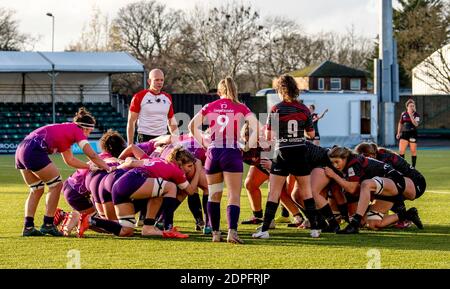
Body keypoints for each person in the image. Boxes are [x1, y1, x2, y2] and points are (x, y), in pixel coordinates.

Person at [15, 107, 114, 236]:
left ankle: (28, 227)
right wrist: (108, 167)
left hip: (21, 149)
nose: (88, 135)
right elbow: (92, 155)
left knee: (36, 189)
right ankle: (48, 224)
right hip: (34, 149)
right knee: (56, 185)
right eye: (89, 131)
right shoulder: (76, 130)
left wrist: (89, 167)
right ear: (83, 128)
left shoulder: (66, 131)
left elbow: (70, 160)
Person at [189, 76, 259, 244]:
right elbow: (257, 126)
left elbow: (192, 126)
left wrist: (205, 143)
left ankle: (215, 233)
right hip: (232, 152)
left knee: (214, 195)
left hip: (213, 153)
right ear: (234, 89)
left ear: (219, 91)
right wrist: (248, 146)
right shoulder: (240, 106)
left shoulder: (210, 106)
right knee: (233, 195)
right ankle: (232, 233)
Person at [252, 74, 321, 239]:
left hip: (283, 152)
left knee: (274, 191)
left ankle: (265, 230)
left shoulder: (276, 109)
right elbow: (311, 134)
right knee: (306, 191)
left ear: (280, 90)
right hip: (300, 151)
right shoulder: (303, 109)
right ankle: (315, 229)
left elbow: (269, 136)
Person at [325, 146, 418, 234]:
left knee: (366, 184)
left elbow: (352, 189)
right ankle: (408, 214)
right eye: (333, 163)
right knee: (373, 224)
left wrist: (334, 175)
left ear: (345, 158)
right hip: (382, 189)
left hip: (395, 181)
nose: (335, 165)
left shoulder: (353, 163)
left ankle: (354, 224)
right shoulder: (347, 165)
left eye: (337, 162)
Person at [354, 142, 425, 229]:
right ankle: (407, 215)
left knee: (387, 187)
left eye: (364, 156)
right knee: (372, 224)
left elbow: (397, 184)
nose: (361, 159)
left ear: (372, 155)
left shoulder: (383, 161)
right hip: (399, 184)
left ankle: (403, 218)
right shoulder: (372, 160)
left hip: (416, 183)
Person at [127, 68, 179, 145]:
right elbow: (131, 122)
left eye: (162, 80)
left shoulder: (167, 97)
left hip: (162, 138)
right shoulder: (139, 96)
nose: (160, 82)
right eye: (156, 80)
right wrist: (130, 144)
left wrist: (177, 141)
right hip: (144, 137)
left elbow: (171, 122)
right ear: (149, 81)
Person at [396, 99, 420, 168]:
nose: (412, 107)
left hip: (413, 134)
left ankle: (413, 167)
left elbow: (416, 124)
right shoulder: (403, 114)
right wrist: (398, 132)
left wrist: (411, 116)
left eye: (413, 106)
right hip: (404, 133)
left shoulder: (416, 115)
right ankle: (402, 166)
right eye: (410, 106)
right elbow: (400, 123)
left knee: (413, 151)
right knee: (401, 151)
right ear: (407, 107)